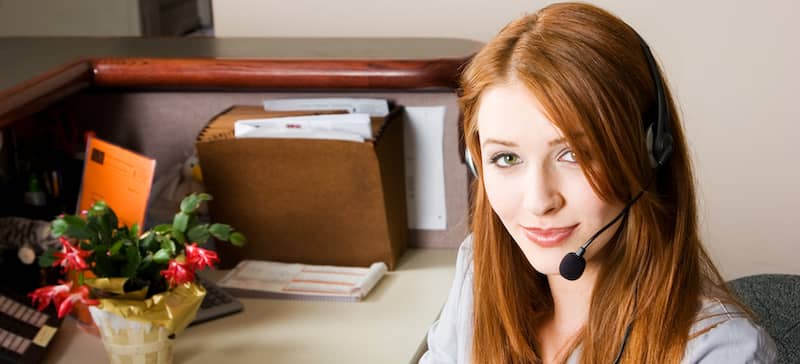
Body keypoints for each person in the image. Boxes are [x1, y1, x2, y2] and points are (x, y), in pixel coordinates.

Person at [419, 3, 776, 364]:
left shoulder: (720, 352)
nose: (539, 201)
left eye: (573, 154)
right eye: (506, 158)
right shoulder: (479, 273)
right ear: (478, 166)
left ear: (651, 154)